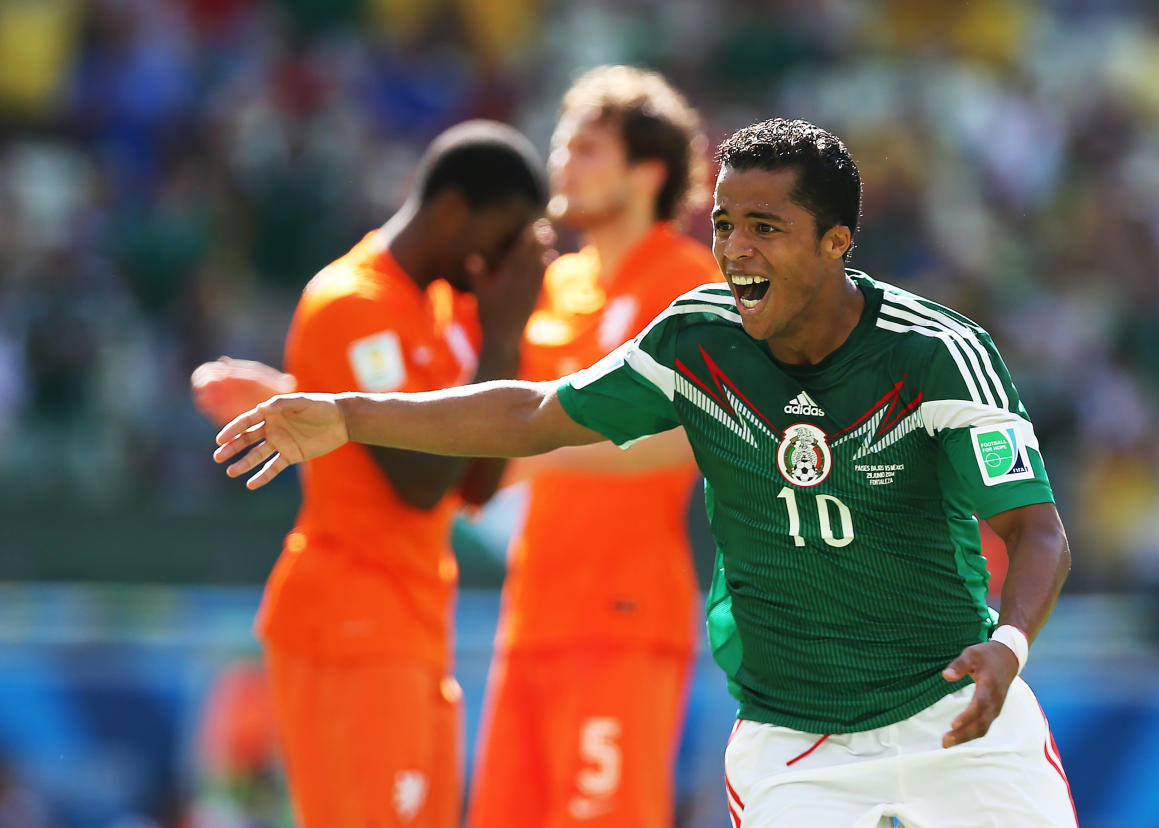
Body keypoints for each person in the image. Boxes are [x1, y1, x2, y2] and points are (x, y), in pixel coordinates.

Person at [214, 118, 1077, 828]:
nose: (736, 250)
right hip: (791, 740)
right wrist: (347, 413)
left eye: (765, 229)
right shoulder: (697, 334)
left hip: (954, 715)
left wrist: (1007, 645)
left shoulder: (938, 355)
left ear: (837, 242)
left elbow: (1037, 529)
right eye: (726, 225)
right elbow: (532, 413)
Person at [197, 120, 551, 828]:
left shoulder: (448, 310)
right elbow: (418, 483)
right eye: (504, 234)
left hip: (411, 623)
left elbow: (476, 487)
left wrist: (499, 339)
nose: (506, 260)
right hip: (349, 624)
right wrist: (503, 336)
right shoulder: (352, 304)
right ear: (453, 210)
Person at [466, 66, 719, 828]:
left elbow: (693, 436)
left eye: (586, 148)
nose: (561, 163)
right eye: (560, 145)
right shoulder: (551, 284)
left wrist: (527, 453)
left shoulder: (689, 284)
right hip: (532, 613)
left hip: (623, 618)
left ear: (648, 172)